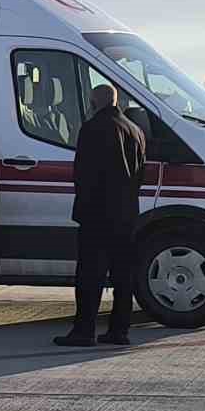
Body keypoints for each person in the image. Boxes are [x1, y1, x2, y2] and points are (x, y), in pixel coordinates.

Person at [57, 83, 147, 347]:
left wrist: (84, 205)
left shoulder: (92, 128)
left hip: (97, 213)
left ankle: (84, 330)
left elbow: (83, 174)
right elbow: (140, 174)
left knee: (90, 274)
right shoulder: (135, 130)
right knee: (122, 274)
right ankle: (120, 330)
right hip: (127, 212)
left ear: (94, 102)